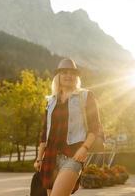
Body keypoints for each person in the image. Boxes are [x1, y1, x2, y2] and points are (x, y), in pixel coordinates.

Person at [33, 58, 100, 196]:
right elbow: (45, 133)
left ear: (76, 77)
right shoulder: (50, 101)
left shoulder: (86, 96)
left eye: (72, 73)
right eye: (64, 72)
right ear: (58, 76)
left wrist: (84, 148)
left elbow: (95, 127)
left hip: (73, 156)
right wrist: (39, 158)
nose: (68, 76)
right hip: (50, 158)